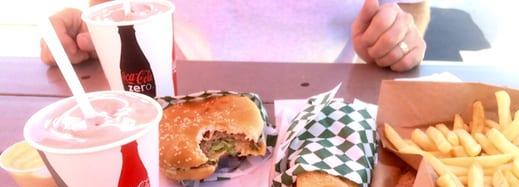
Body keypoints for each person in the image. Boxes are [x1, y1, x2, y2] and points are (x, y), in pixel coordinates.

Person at [41, 0, 429, 72]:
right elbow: (109, 5)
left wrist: (395, 37)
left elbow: (412, 7)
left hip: (333, 107)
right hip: (180, 102)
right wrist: (92, 33)